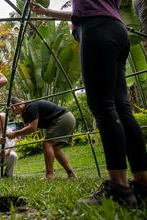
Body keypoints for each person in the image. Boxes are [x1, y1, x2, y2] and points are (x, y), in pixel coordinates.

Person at [29, 1, 147, 206]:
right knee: (121, 108)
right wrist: (46, 11)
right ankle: (143, 184)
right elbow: (81, 11)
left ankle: (119, 187)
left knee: (102, 105)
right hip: (117, 29)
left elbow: (86, 12)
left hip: (96, 29)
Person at [6, 97, 76, 180]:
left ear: (17, 105)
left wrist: (15, 134)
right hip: (65, 118)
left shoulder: (30, 106)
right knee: (55, 149)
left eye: (13, 109)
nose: (13, 112)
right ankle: (71, 174)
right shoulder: (24, 112)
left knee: (47, 143)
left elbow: (32, 128)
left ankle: (49, 176)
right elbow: (27, 129)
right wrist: (13, 134)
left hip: (63, 118)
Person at [0, 112, 17, 177]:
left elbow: (12, 146)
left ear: (5, 122)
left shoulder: (10, 132)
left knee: (13, 155)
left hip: (4, 157)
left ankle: (8, 174)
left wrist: (6, 152)